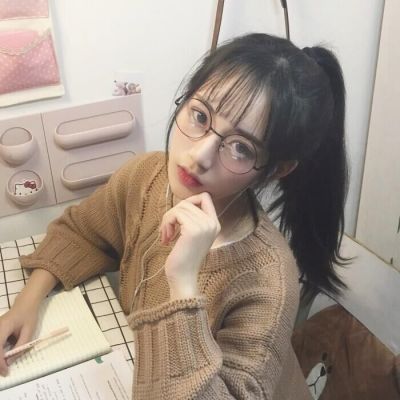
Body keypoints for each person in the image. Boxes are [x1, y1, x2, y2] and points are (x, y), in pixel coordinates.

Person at [0, 33, 348, 399]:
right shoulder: (148, 178)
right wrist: (26, 303)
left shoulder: (268, 282)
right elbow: (84, 231)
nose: (199, 155)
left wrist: (182, 282)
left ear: (276, 170)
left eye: (241, 148)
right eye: (200, 116)